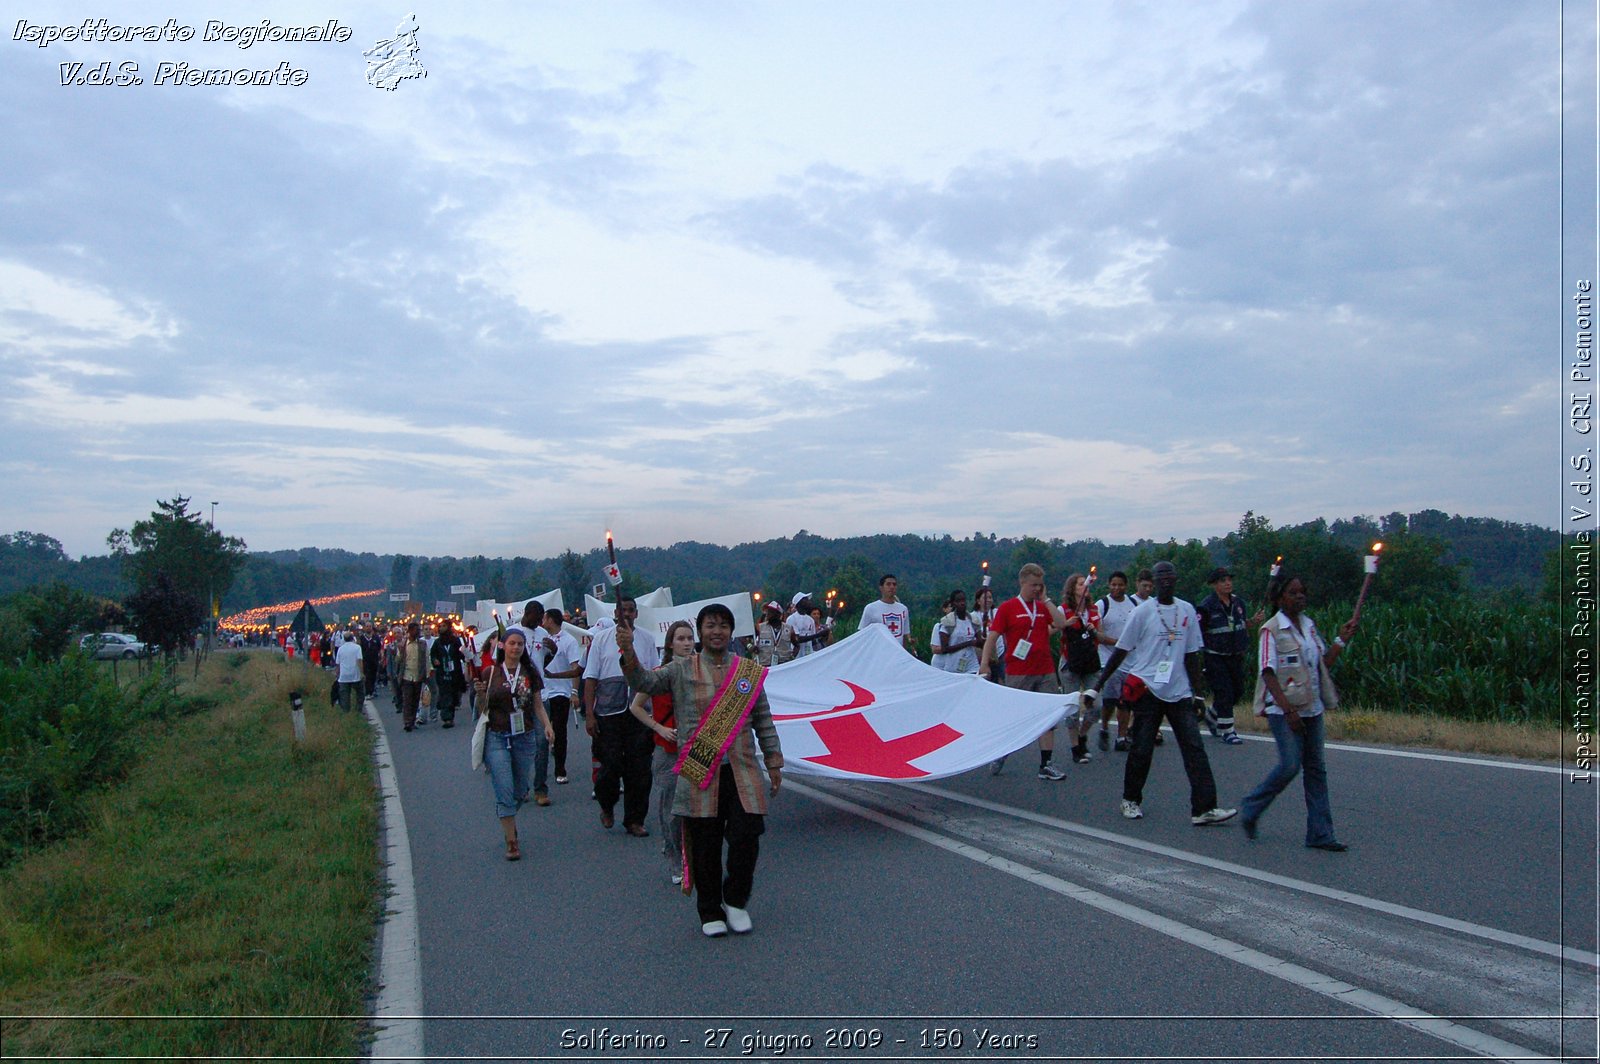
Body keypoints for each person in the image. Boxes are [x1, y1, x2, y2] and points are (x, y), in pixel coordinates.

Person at [618, 603, 783, 938]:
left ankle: (735, 900)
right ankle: (710, 910)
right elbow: (643, 681)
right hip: (700, 769)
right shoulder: (680, 669)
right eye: (710, 625)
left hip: (742, 770)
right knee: (705, 846)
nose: (717, 631)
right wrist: (627, 650)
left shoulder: (746, 672)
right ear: (701, 631)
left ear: (731, 631)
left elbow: (763, 718)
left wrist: (774, 760)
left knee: (747, 837)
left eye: (723, 625)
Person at [1084, 561, 1235, 825]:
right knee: (1141, 749)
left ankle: (1204, 808)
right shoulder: (1142, 613)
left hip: (1178, 691)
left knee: (1194, 749)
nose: (1165, 581)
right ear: (1153, 581)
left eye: (1169, 577)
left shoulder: (1186, 610)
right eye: (1160, 577)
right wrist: (1097, 687)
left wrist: (1198, 695)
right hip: (1148, 688)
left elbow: (1191, 656)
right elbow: (1121, 650)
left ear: (1175, 580)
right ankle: (1130, 799)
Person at [1239, 572, 1359, 850]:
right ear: (1281, 598)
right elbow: (1267, 672)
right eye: (1293, 592)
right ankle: (1252, 807)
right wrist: (1287, 709)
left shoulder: (1309, 626)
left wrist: (1341, 640)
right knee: (1290, 765)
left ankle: (1320, 833)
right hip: (1284, 711)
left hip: (1313, 707)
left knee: (1316, 770)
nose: (1300, 596)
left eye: (1302, 591)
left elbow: (1322, 663)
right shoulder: (1271, 629)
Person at [979, 563, 1069, 780]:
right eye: (1033, 585)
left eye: (1040, 585)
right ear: (1023, 583)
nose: (1037, 589)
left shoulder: (1042, 607)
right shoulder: (1008, 608)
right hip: (1019, 671)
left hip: (1045, 669)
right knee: (1014, 716)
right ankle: (1002, 752)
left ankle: (1046, 763)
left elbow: (1061, 623)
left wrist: (1046, 600)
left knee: (1048, 717)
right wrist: (985, 663)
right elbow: (993, 636)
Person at [472, 628, 555, 861]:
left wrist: (547, 725)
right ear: (503, 646)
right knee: (504, 787)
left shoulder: (530, 672)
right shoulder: (491, 672)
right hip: (497, 736)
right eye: (511, 643)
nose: (516, 648)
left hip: (524, 735)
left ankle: (509, 816)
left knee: (519, 791)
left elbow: (538, 705)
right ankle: (511, 840)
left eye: (520, 644)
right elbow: (482, 709)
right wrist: (479, 694)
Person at [582, 595, 659, 835]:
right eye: (622, 610)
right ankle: (607, 803)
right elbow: (590, 679)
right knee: (610, 766)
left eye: (631, 610)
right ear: (615, 613)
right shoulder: (601, 640)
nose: (626, 614)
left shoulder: (646, 639)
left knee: (640, 769)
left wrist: (656, 716)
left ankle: (635, 819)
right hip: (608, 713)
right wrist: (590, 715)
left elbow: (654, 676)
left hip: (639, 714)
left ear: (636, 614)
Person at [629, 620, 696, 884]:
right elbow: (636, 707)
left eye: (690, 638)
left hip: (695, 748)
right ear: (670, 643)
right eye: (681, 638)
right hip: (668, 749)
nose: (687, 643)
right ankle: (674, 855)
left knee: (696, 807)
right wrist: (658, 727)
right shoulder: (659, 674)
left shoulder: (700, 671)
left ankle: (692, 855)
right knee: (672, 809)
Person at [1195, 566, 1256, 745]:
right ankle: (1227, 730)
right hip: (1215, 655)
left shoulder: (1239, 604)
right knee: (1224, 692)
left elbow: (1240, 624)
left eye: (1229, 579)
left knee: (1237, 691)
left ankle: (1212, 715)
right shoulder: (1206, 606)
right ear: (1214, 585)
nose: (1227, 583)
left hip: (1235, 654)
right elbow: (1199, 631)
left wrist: (1251, 623)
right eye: (1223, 580)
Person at [1058, 573, 1101, 764]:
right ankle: (1076, 746)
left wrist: (1094, 629)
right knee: (1073, 706)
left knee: (1096, 705)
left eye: (1086, 583)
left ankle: (1083, 735)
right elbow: (1053, 628)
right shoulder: (1064, 610)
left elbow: (1099, 635)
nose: (1085, 586)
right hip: (1071, 660)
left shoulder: (1093, 610)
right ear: (1073, 588)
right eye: (1081, 584)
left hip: (1090, 660)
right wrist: (1064, 624)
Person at [1093, 572, 1138, 752]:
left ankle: (1121, 736)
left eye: (1120, 585)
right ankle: (1104, 727)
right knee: (1110, 700)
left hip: (1130, 661)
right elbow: (1098, 634)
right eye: (1113, 584)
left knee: (1125, 700)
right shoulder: (1102, 605)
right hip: (1108, 659)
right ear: (1109, 585)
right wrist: (1120, 644)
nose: (1116, 588)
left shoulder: (1133, 605)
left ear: (1126, 586)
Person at [539, 607, 584, 786]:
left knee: (560, 730)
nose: (542, 621)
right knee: (541, 731)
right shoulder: (542, 639)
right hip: (542, 692)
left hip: (560, 692)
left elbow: (575, 669)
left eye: (545, 618)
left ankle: (560, 769)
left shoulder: (568, 641)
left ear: (551, 620)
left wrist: (574, 692)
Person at [932, 589, 982, 674]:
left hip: (971, 664)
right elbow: (944, 649)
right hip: (953, 665)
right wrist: (968, 643)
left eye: (963, 600)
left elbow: (980, 643)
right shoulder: (947, 622)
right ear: (953, 603)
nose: (962, 603)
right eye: (958, 601)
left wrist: (983, 637)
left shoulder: (973, 620)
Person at [429, 624, 469, 730]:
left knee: (453, 694)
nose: (441, 628)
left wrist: (467, 652)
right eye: (440, 626)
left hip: (454, 672)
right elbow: (433, 654)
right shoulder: (437, 642)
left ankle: (450, 713)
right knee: (445, 694)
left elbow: (461, 654)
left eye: (443, 626)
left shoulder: (455, 641)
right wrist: (435, 660)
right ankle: (447, 718)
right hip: (442, 673)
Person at [859, 574, 911, 651]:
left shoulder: (903, 609)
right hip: (879, 652)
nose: (892, 587)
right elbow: (862, 633)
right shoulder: (871, 608)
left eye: (894, 584)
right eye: (888, 584)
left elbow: (904, 635)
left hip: (897, 653)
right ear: (881, 588)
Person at [394, 622, 429, 731]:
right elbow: (398, 660)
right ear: (409, 631)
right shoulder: (404, 645)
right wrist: (398, 652)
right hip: (407, 676)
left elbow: (427, 659)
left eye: (418, 630)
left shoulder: (422, 644)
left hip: (418, 676)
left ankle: (412, 720)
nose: (417, 632)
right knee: (407, 700)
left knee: (415, 700)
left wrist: (427, 674)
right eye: (415, 630)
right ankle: (407, 722)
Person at [752, 601, 794, 667]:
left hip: (783, 665)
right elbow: (744, 638)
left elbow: (797, 645)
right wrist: (750, 646)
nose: (767, 613)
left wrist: (792, 657)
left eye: (770, 611)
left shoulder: (788, 629)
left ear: (778, 614)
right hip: (765, 665)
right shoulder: (759, 627)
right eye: (767, 611)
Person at [333, 630, 365, 713]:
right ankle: (358, 710)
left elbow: (338, 664)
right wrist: (361, 673)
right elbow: (359, 660)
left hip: (344, 676)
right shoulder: (357, 647)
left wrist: (337, 674)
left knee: (344, 696)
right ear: (352, 638)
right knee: (360, 693)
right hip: (355, 675)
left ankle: (346, 711)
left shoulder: (340, 649)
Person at [786, 593, 824, 658]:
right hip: (796, 656)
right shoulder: (791, 619)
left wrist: (823, 637)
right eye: (805, 600)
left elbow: (812, 639)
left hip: (809, 655)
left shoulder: (810, 620)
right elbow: (797, 639)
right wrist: (819, 634)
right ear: (799, 603)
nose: (808, 602)